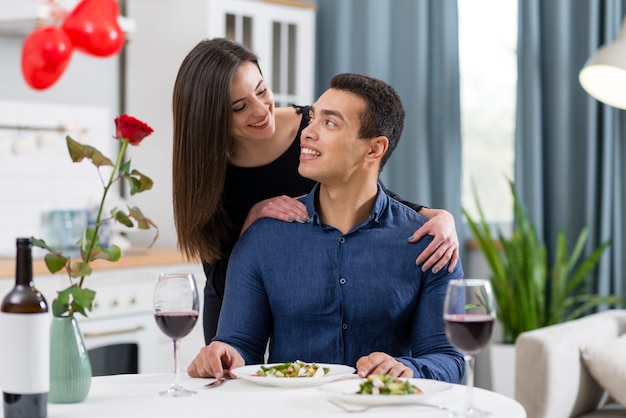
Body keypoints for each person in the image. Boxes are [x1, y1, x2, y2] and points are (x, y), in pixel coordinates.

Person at [172, 37, 460, 344]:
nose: (261, 110)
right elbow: (221, 277)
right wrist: (252, 218)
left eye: (261, 90)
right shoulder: (207, 168)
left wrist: (436, 215)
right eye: (240, 107)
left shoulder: (310, 130)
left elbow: (367, 190)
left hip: (310, 286)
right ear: (211, 118)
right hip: (235, 291)